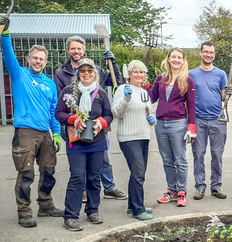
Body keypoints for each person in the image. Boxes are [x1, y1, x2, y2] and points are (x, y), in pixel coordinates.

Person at [0, 17, 63, 228]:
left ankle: (45, 205)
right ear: (28, 59)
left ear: (46, 61)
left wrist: (55, 133)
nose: (38, 61)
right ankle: (24, 211)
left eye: (41, 59)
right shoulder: (20, 76)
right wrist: (5, 35)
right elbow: (8, 56)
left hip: (45, 134)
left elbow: (53, 111)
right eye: (34, 58)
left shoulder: (50, 84)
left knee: (49, 171)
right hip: (26, 132)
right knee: (26, 174)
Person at [53, 36, 126, 201]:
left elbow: (116, 81)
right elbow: (60, 100)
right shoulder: (61, 73)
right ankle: (84, 190)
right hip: (73, 125)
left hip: (96, 125)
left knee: (103, 158)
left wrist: (112, 63)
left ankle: (109, 187)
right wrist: (73, 118)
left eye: (79, 48)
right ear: (68, 51)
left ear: (83, 50)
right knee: (79, 162)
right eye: (73, 48)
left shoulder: (97, 69)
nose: (76, 51)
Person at [55, 58, 113, 231]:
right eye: (83, 71)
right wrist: (73, 119)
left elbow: (109, 115)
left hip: (97, 141)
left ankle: (92, 210)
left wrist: (101, 122)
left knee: (94, 177)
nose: (86, 73)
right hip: (76, 143)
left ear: (95, 73)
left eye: (90, 70)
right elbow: (59, 114)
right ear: (78, 73)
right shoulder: (68, 92)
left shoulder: (100, 93)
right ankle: (71, 216)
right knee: (77, 177)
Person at [112, 60, 156, 220]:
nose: (139, 75)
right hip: (129, 138)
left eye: (142, 72)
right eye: (136, 72)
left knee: (139, 172)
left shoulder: (144, 92)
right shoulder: (123, 89)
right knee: (138, 173)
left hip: (144, 135)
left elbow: (148, 112)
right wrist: (125, 99)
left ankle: (132, 205)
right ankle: (138, 209)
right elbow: (117, 113)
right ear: (129, 74)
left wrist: (153, 119)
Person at [151, 49, 196, 207]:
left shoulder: (187, 80)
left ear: (183, 61)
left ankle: (182, 192)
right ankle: (171, 191)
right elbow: (151, 97)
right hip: (161, 124)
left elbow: (191, 105)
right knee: (167, 160)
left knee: (180, 159)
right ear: (168, 59)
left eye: (179, 57)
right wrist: (140, 89)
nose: (176, 60)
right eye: (173, 57)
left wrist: (192, 127)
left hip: (179, 123)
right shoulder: (160, 79)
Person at [189, 42, 231, 200]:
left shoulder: (221, 74)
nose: (208, 55)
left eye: (211, 52)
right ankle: (200, 187)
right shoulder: (191, 74)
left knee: (217, 154)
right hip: (198, 119)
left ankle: (216, 186)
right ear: (200, 53)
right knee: (198, 154)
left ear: (214, 55)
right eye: (205, 52)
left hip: (217, 120)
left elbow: (224, 99)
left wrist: (228, 93)